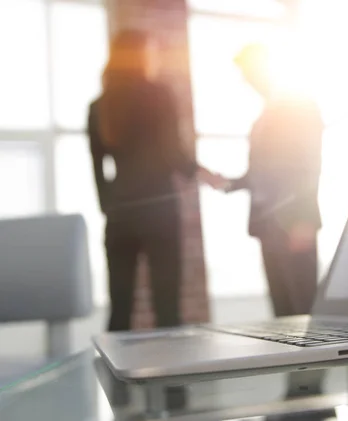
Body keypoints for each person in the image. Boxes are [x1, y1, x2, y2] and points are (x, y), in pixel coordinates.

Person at [87, 30, 225, 332]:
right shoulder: (159, 95)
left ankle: (115, 379)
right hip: (159, 212)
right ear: (142, 56)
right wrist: (207, 176)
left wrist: (109, 207)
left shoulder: (99, 106)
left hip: (120, 214)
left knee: (120, 308)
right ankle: (174, 380)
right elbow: (173, 153)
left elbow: (97, 169)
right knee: (167, 307)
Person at [223, 43, 324, 317]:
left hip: (293, 223)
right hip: (266, 225)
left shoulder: (300, 104)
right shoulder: (261, 121)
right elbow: (257, 174)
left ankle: (321, 362)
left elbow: (310, 163)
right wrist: (225, 183)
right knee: (283, 315)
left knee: (305, 311)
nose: (246, 80)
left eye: (248, 72)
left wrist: (303, 220)